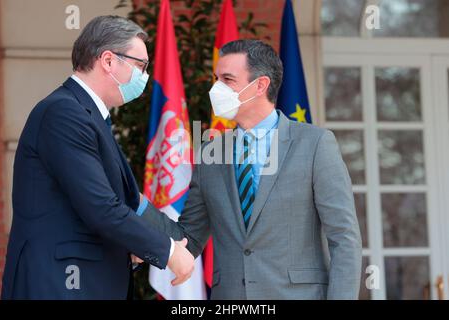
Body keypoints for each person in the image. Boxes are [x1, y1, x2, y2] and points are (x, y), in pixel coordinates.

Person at [142, 39, 362, 299]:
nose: (216, 88)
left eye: (227, 79)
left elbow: (344, 238)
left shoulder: (315, 144)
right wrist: (136, 208)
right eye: (216, 78)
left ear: (260, 85)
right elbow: (188, 236)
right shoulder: (210, 152)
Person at [1, 15, 194, 300]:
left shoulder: (88, 115)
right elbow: (101, 207)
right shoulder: (65, 113)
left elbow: (124, 199)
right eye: (140, 65)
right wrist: (167, 251)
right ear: (107, 61)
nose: (144, 76)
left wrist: (169, 239)